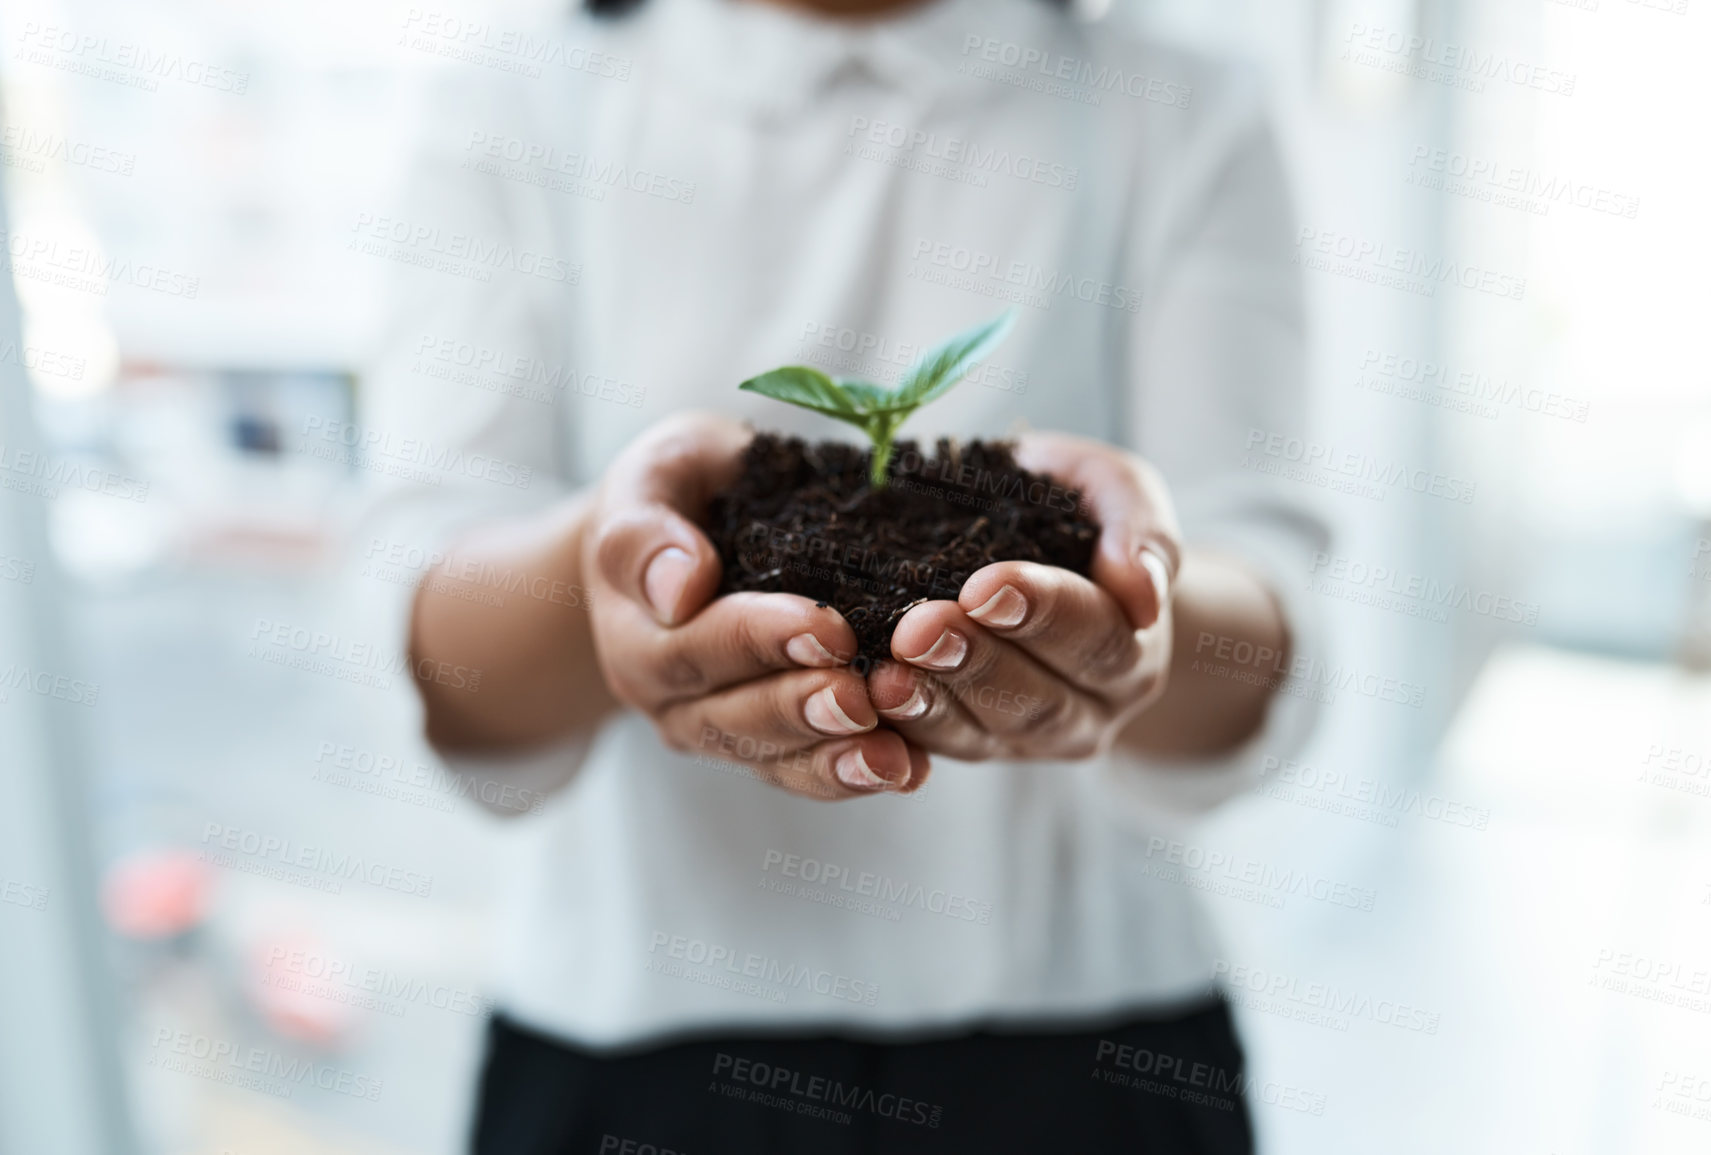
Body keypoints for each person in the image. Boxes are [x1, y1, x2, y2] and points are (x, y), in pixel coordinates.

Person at [362, 0, 1327, 1147]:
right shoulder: (519, 101)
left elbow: (1263, 607)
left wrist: (1137, 615)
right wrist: (606, 572)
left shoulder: (1180, 102)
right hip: (635, 1050)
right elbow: (433, 642)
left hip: (1093, 1047)